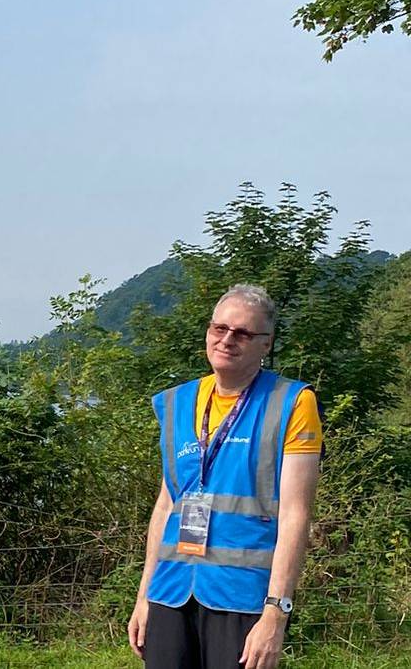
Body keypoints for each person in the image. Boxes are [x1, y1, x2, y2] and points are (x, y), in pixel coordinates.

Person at [128, 284, 323, 669]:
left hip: (243, 598)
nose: (227, 340)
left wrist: (276, 614)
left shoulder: (292, 403)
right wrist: (144, 595)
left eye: (243, 333)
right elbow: (167, 503)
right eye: (219, 328)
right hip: (171, 592)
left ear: (265, 345)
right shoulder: (176, 402)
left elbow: (295, 515)